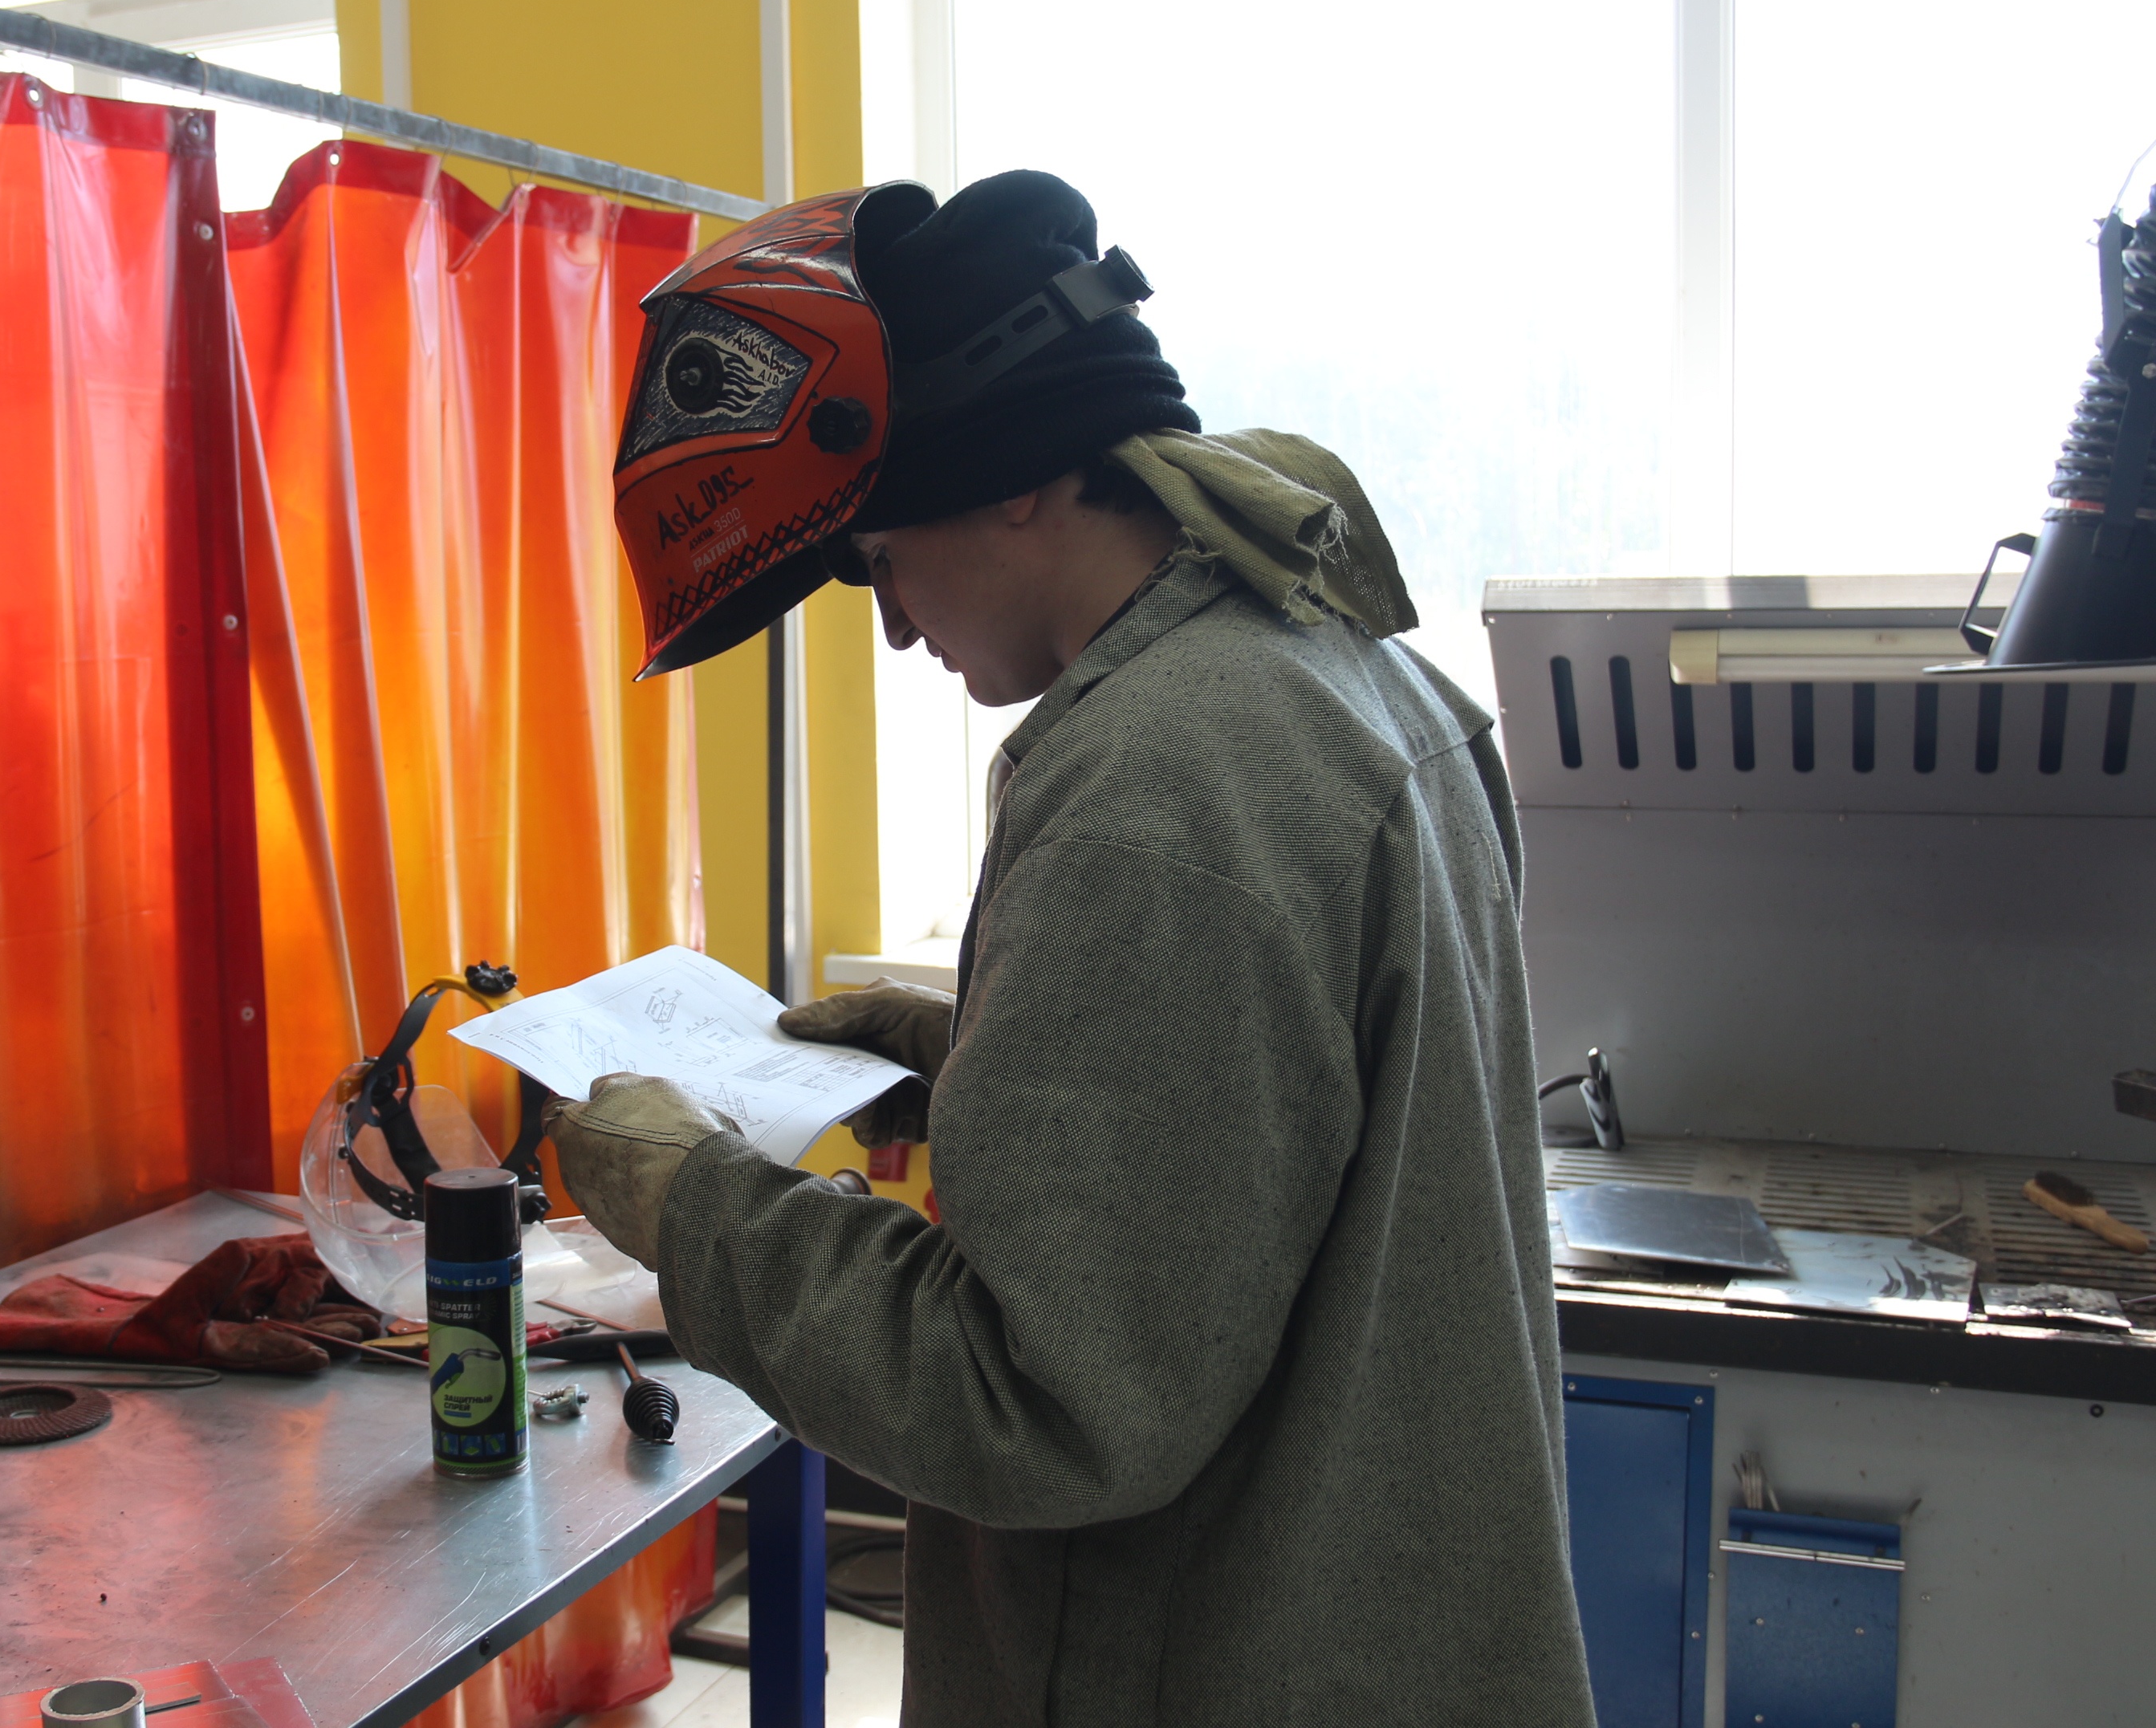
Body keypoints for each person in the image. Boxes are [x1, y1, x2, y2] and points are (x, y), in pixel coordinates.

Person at [547, 171, 1597, 1726]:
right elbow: (1280, 1124)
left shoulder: (1156, 787)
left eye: (877, 557)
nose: (893, 625)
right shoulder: (1353, 678)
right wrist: (988, 1063)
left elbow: (1033, 1403)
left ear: (1020, 485)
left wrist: (692, 1204)